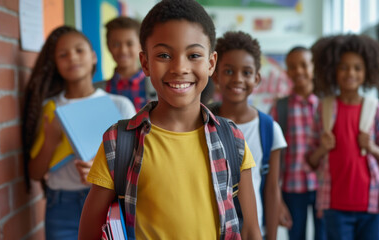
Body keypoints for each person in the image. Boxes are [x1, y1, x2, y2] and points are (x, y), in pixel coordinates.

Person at [78, 1, 262, 239]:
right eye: (164, 55)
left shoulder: (232, 139)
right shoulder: (119, 142)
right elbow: (89, 233)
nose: (179, 68)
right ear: (145, 63)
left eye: (194, 55)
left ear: (211, 63)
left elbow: (249, 231)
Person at [21, 26, 136, 240]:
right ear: (55, 64)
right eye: (63, 54)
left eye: (79, 50)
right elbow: (35, 173)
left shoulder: (120, 106)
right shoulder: (49, 108)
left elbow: (136, 166)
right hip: (61, 206)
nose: (72, 57)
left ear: (94, 57)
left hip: (108, 204)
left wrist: (99, 170)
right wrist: (51, 141)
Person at [307, 34, 379, 240]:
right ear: (332, 70)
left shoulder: (375, 108)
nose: (350, 73)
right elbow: (310, 160)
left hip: (370, 204)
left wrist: (373, 148)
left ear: (367, 72)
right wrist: (322, 149)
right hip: (334, 206)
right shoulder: (324, 108)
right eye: (343, 67)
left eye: (357, 67)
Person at [209, 31, 289, 239]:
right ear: (215, 75)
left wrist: (271, 236)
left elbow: (272, 190)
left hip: (251, 232)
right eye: (228, 71)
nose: (238, 79)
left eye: (246, 72)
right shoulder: (200, 123)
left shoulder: (269, 129)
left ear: (257, 78)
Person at [270, 46, 326, 240]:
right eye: (292, 67)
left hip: (323, 185)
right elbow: (272, 153)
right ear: (287, 72)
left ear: (314, 68)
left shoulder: (325, 105)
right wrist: (276, 197)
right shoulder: (280, 108)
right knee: (296, 235)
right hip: (292, 188)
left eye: (304, 65)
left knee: (325, 234)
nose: (299, 71)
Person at [97, 16, 156, 110]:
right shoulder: (98, 91)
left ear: (141, 45)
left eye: (129, 44)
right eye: (116, 44)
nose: (123, 50)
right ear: (108, 46)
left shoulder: (157, 87)